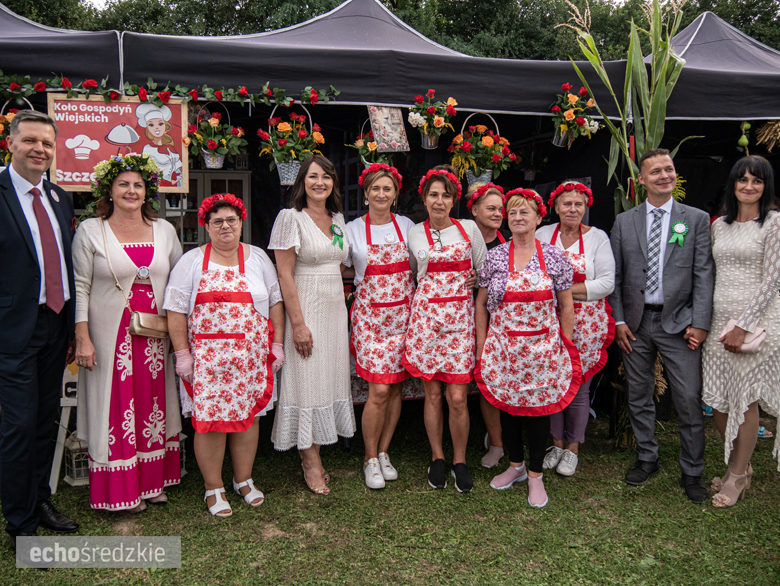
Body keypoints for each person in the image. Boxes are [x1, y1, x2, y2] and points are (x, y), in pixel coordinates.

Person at [73, 153, 182, 512]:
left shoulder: (165, 230)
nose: (131, 191)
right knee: (117, 407)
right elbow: (82, 287)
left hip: (156, 335)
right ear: (110, 189)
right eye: (124, 184)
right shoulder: (91, 230)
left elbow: (180, 281)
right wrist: (82, 336)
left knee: (154, 403)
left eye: (138, 185)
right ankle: (120, 491)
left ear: (147, 191)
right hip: (110, 336)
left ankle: (152, 483)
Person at [165, 193, 283, 516]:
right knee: (209, 424)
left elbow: (275, 303)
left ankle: (243, 480)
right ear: (206, 226)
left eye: (231, 220)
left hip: (249, 360)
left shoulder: (259, 258)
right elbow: (175, 310)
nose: (225, 226)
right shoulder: (191, 262)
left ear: (241, 222)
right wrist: (182, 355)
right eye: (217, 221)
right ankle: (213, 486)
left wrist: (278, 344)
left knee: (249, 419)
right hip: (207, 362)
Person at [609, 148, 714, 504]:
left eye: (668, 169)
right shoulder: (625, 221)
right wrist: (619, 320)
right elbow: (617, 276)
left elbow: (703, 274)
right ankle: (647, 457)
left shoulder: (696, 219)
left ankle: (693, 470)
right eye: (655, 172)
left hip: (679, 324)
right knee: (638, 395)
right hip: (636, 324)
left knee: (686, 397)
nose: (664, 176)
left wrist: (700, 323)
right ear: (642, 180)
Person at [0, 109, 79, 546]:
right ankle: (21, 524)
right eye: (30, 140)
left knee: (45, 422)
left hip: (54, 326)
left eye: (47, 144)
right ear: (10, 143)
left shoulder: (59, 197)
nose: (39, 150)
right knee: (17, 426)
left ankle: (39, 498)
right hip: (13, 330)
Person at [475, 189, 580, 508]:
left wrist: (565, 344)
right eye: (513, 212)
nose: (518, 218)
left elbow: (566, 305)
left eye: (525, 212)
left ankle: (535, 475)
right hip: (504, 348)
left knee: (537, 412)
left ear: (538, 217)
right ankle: (515, 466)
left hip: (543, 349)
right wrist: (482, 346)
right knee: (507, 409)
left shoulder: (554, 257)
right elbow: (481, 304)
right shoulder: (494, 257)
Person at [269, 155, 355, 495]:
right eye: (313, 176)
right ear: (302, 181)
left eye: (327, 177)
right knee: (306, 378)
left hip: (335, 311)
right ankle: (309, 460)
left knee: (326, 378)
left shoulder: (336, 218)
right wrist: (298, 324)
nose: (320, 182)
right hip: (306, 308)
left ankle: (316, 448)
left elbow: (341, 265)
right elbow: (284, 273)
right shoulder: (291, 218)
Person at [403, 165, 487, 493]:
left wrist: (477, 278)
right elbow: (413, 274)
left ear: (454, 201)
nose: (439, 201)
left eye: (446, 195)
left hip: (460, 322)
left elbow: (484, 271)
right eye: (433, 195)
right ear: (424, 199)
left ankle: (460, 460)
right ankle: (437, 457)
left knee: (457, 397)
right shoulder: (413, 233)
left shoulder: (469, 229)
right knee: (434, 394)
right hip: (426, 322)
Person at [702, 155, 780, 508]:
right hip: (720, 320)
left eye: (757, 181)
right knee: (717, 398)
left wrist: (743, 326)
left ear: (766, 187)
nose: (749, 186)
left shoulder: (774, 223)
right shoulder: (719, 225)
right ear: (733, 184)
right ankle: (742, 466)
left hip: (757, 323)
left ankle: (735, 476)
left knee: (744, 400)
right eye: (743, 179)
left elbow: (771, 281)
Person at [344, 163, 415, 489]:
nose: (381, 194)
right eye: (376, 188)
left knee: (397, 387)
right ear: (367, 192)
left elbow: (423, 264)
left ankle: (384, 452)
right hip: (371, 321)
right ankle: (369, 457)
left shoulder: (407, 226)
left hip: (403, 318)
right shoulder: (351, 229)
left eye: (387, 188)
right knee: (379, 389)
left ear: (395, 194)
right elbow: (338, 265)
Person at [537, 181, 615, 476]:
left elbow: (606, 283)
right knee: (552, 385)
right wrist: (577, 290)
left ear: (586, 208)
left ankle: (573, 449)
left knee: (579, 389)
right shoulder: (544, 234)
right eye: (566, 204)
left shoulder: (598, 238)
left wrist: (563, 291)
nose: (572, 209)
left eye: (578, 204)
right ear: (555, 207)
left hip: (587, 324)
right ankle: (556, 444)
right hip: (547, 321)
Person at [466, 182, 511, 469]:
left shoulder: (506, 246)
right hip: (457, 319)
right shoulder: (459, 238)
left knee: (492, 383)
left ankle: (498, 440)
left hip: (496, 323)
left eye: (500, 209)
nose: (498, 214)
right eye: (491, 208)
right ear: (474, 210)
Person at [135, 103, 183, 187]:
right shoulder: (147, 149)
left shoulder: (170, 147)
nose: (156, 127)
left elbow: (179, 166)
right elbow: (145, 171)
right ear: (147, 129)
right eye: (151, 125)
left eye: (160, 124)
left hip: (174, 186)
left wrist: (182, 179)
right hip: (156, 186)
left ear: (165, 126)